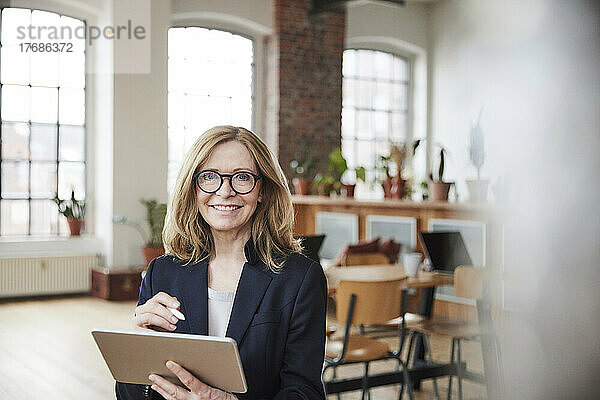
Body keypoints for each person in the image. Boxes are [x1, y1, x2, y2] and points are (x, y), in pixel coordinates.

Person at [115, 126, 327, 400]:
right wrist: (138, 349)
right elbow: (129, 394)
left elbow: (305, 393)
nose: (225, 191)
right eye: (210, 177)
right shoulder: (162, 272)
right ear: (193, 188)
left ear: (262, 190)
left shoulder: (299, 278)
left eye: (242, 177)